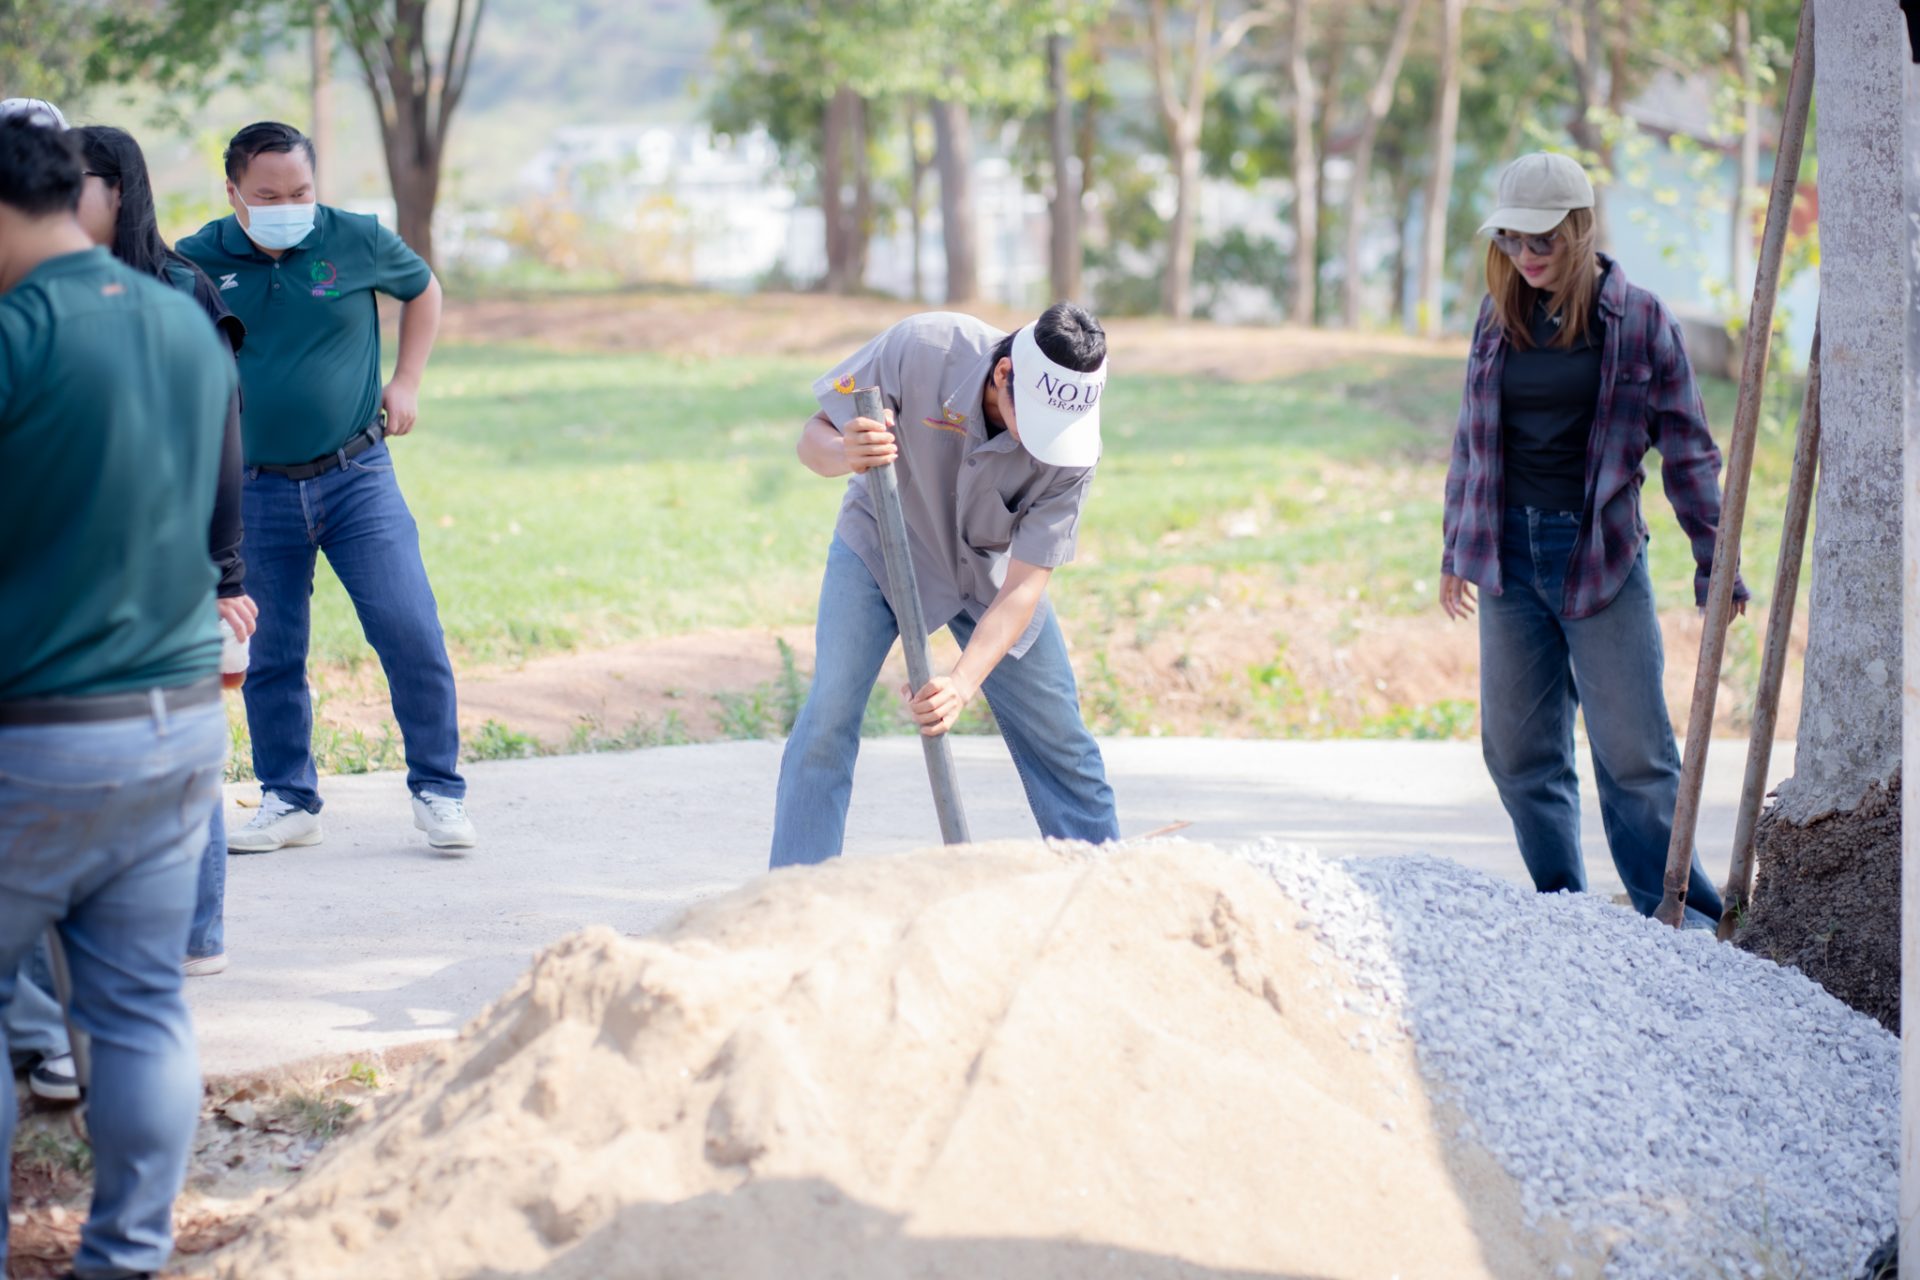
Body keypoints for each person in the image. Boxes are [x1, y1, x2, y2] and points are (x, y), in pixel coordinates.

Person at [0, 116, 236, 1280]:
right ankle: (129, 1255)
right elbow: (216, 490)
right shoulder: (180, 318)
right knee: (142, 1007)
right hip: (179, 719)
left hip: (38, 732)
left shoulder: (14, 335)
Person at [1438, 151, 1746, 929]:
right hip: (1508, 561)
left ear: (1580, 229)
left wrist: (1716, 563)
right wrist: (1456, 550)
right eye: (1511, 239)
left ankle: (1680, 918)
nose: (1525, 254)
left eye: (1541, 238)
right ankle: (1564, 913)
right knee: (1518, 754)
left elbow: (1689, 449)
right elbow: (1472, 441)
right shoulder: (1496, 316)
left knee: (1636, 758)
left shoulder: (1639, 319)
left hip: (1600, 557)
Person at [178, 120, 476, 853]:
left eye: (301, 192)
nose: (288, 206)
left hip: (357, 476)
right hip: (253, 489)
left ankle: (439, 789)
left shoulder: (355, 238)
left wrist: (407, 380)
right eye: (268, 196)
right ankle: (289, 798)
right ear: (233, 192)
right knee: (270, 652)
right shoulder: (197, 259)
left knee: (409, 628)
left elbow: (423, 290)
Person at [770, 304, 1120, 868]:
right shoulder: (924, 347)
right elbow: (814, 439)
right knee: (828, 716)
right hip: (882, 545)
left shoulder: (1073, 452)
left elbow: (1024, 588)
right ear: (1004, 374)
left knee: (1062, 738)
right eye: (1036, 421)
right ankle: (795, 890)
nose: (1044, 444)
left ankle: (1103, 885)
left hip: (989, 575)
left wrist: (960, 683)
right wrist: (845, 453)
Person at [76, 123, 253, 976]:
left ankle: (197, 935)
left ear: (119, 188)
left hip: (169, 556)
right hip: (77, 557)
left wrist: (226, 574)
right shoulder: (48, 285)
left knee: (178, 745)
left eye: (73, 180)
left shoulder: (182, 288)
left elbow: (222, 434)